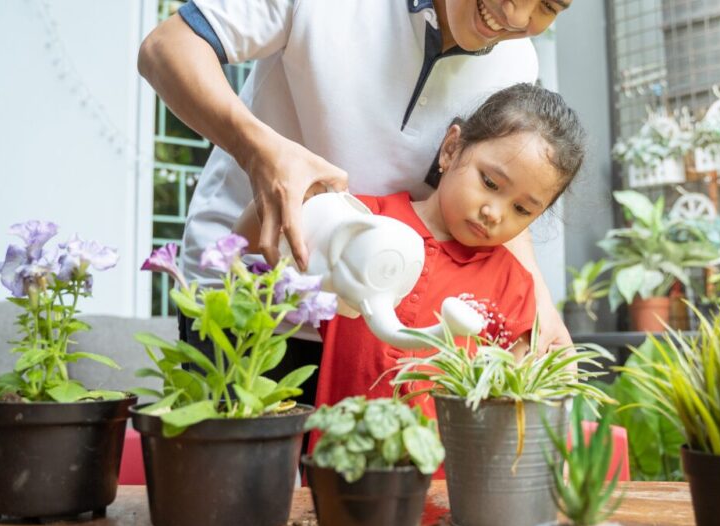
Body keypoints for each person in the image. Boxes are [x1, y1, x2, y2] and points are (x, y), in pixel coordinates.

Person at [137, 0, 577, 405]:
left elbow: (506, 188)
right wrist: (259, 150)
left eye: (548, 6)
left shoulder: (518, 60)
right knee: (229, 487)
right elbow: (167, 47)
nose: (518, 16)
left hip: (366, 322)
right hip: (245, 292)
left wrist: (541, 304)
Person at [235, 83, 586, 422]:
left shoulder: (514, 284)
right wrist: (289, 191)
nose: (495, 213)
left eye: (522, 210)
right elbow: (246, 241)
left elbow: (511, 407)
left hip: (452, 477)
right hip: (341, 461)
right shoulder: (364, 223)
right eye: (490, 183)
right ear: (451, 149)